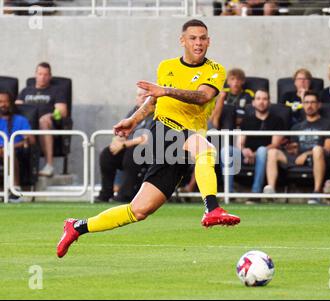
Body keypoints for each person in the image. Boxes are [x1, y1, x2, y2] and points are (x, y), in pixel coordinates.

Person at [57, 19, 241, 258]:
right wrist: (134, 120)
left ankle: (77, 226)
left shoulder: (215, 70)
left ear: (209, 41)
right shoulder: (167, 67)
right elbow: (154, 100)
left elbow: (202, 96)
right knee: (206, 149)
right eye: (193, 38)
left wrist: (164, 91)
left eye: (203, 38)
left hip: (185, 143)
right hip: (165, 130)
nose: (198, 43)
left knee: (139, 210)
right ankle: (212, 209)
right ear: (182, 40)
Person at [264, 91, 330, 204]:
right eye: (306, 102)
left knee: (317, 149)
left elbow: (327, 149)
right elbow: (296, 149)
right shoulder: (296, 127)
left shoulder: (328, 124)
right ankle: (271, 191)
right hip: (298, 158)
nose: (309, 105)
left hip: (317, 158)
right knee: (273, 152)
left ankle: (316, 192)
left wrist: (306, 154)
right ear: (302, 105)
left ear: (319, 105)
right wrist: (291, 148)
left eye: (313, 102)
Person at [220, 89, 284, 196]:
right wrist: (244, 150)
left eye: (264, 99)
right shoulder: (247, 120)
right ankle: (228, 192)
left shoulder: (277, 120)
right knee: (226, 150)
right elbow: (240, 142)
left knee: (262, 150)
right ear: (253, 102)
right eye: (258, 99)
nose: (261, 102)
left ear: (269, 102)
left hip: (264, 155)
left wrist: (255, 153)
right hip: (245, 155)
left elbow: (275, 144)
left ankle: (256, 193)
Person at [95, 88, 153, 203]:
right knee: (107, 154)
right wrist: (116, 142)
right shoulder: (134, 112)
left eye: (145, 95)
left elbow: (149, 138)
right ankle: (105, 194)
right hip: (129, 148)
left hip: (151, 151)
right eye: (139, 95)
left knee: (133, 153)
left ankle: (126, 195)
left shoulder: (156, 114)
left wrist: (124, 145)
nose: (142, 97)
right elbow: (123, 132)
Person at [16, 62, 68, 177]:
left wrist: (50, 115)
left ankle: (49, 165)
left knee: (43, 121)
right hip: (27, 127)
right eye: (40, 74)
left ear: (50, 76)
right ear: (35, 75)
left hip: (47, 126)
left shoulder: (56, 91)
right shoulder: (25, 91)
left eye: (45, 74)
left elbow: (62, 111)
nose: (42, 77)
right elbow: (16, 109)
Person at [0, 90, 36, 202]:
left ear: (11, 103)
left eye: (6, 102)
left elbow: (32, 140)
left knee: (8, 152)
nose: (3, 105)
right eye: (0, 102)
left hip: (16, 150)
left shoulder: (21, 120)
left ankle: (15, 190)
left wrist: (12, 146)